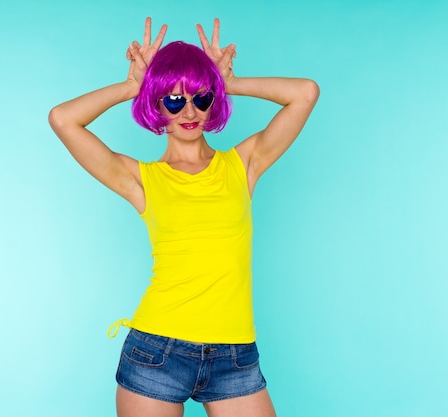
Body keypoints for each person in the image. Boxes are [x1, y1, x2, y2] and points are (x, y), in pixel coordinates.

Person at [49, 17, 319, 417]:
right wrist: (130, 87)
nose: (189, 110)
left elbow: (305, 93)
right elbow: (62, 118)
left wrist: (230, 82)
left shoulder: (243, 165)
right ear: (155, 103)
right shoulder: (141, 179)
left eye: (201, 97)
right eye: (173, 100)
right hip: (158, 351)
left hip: (234, 355)